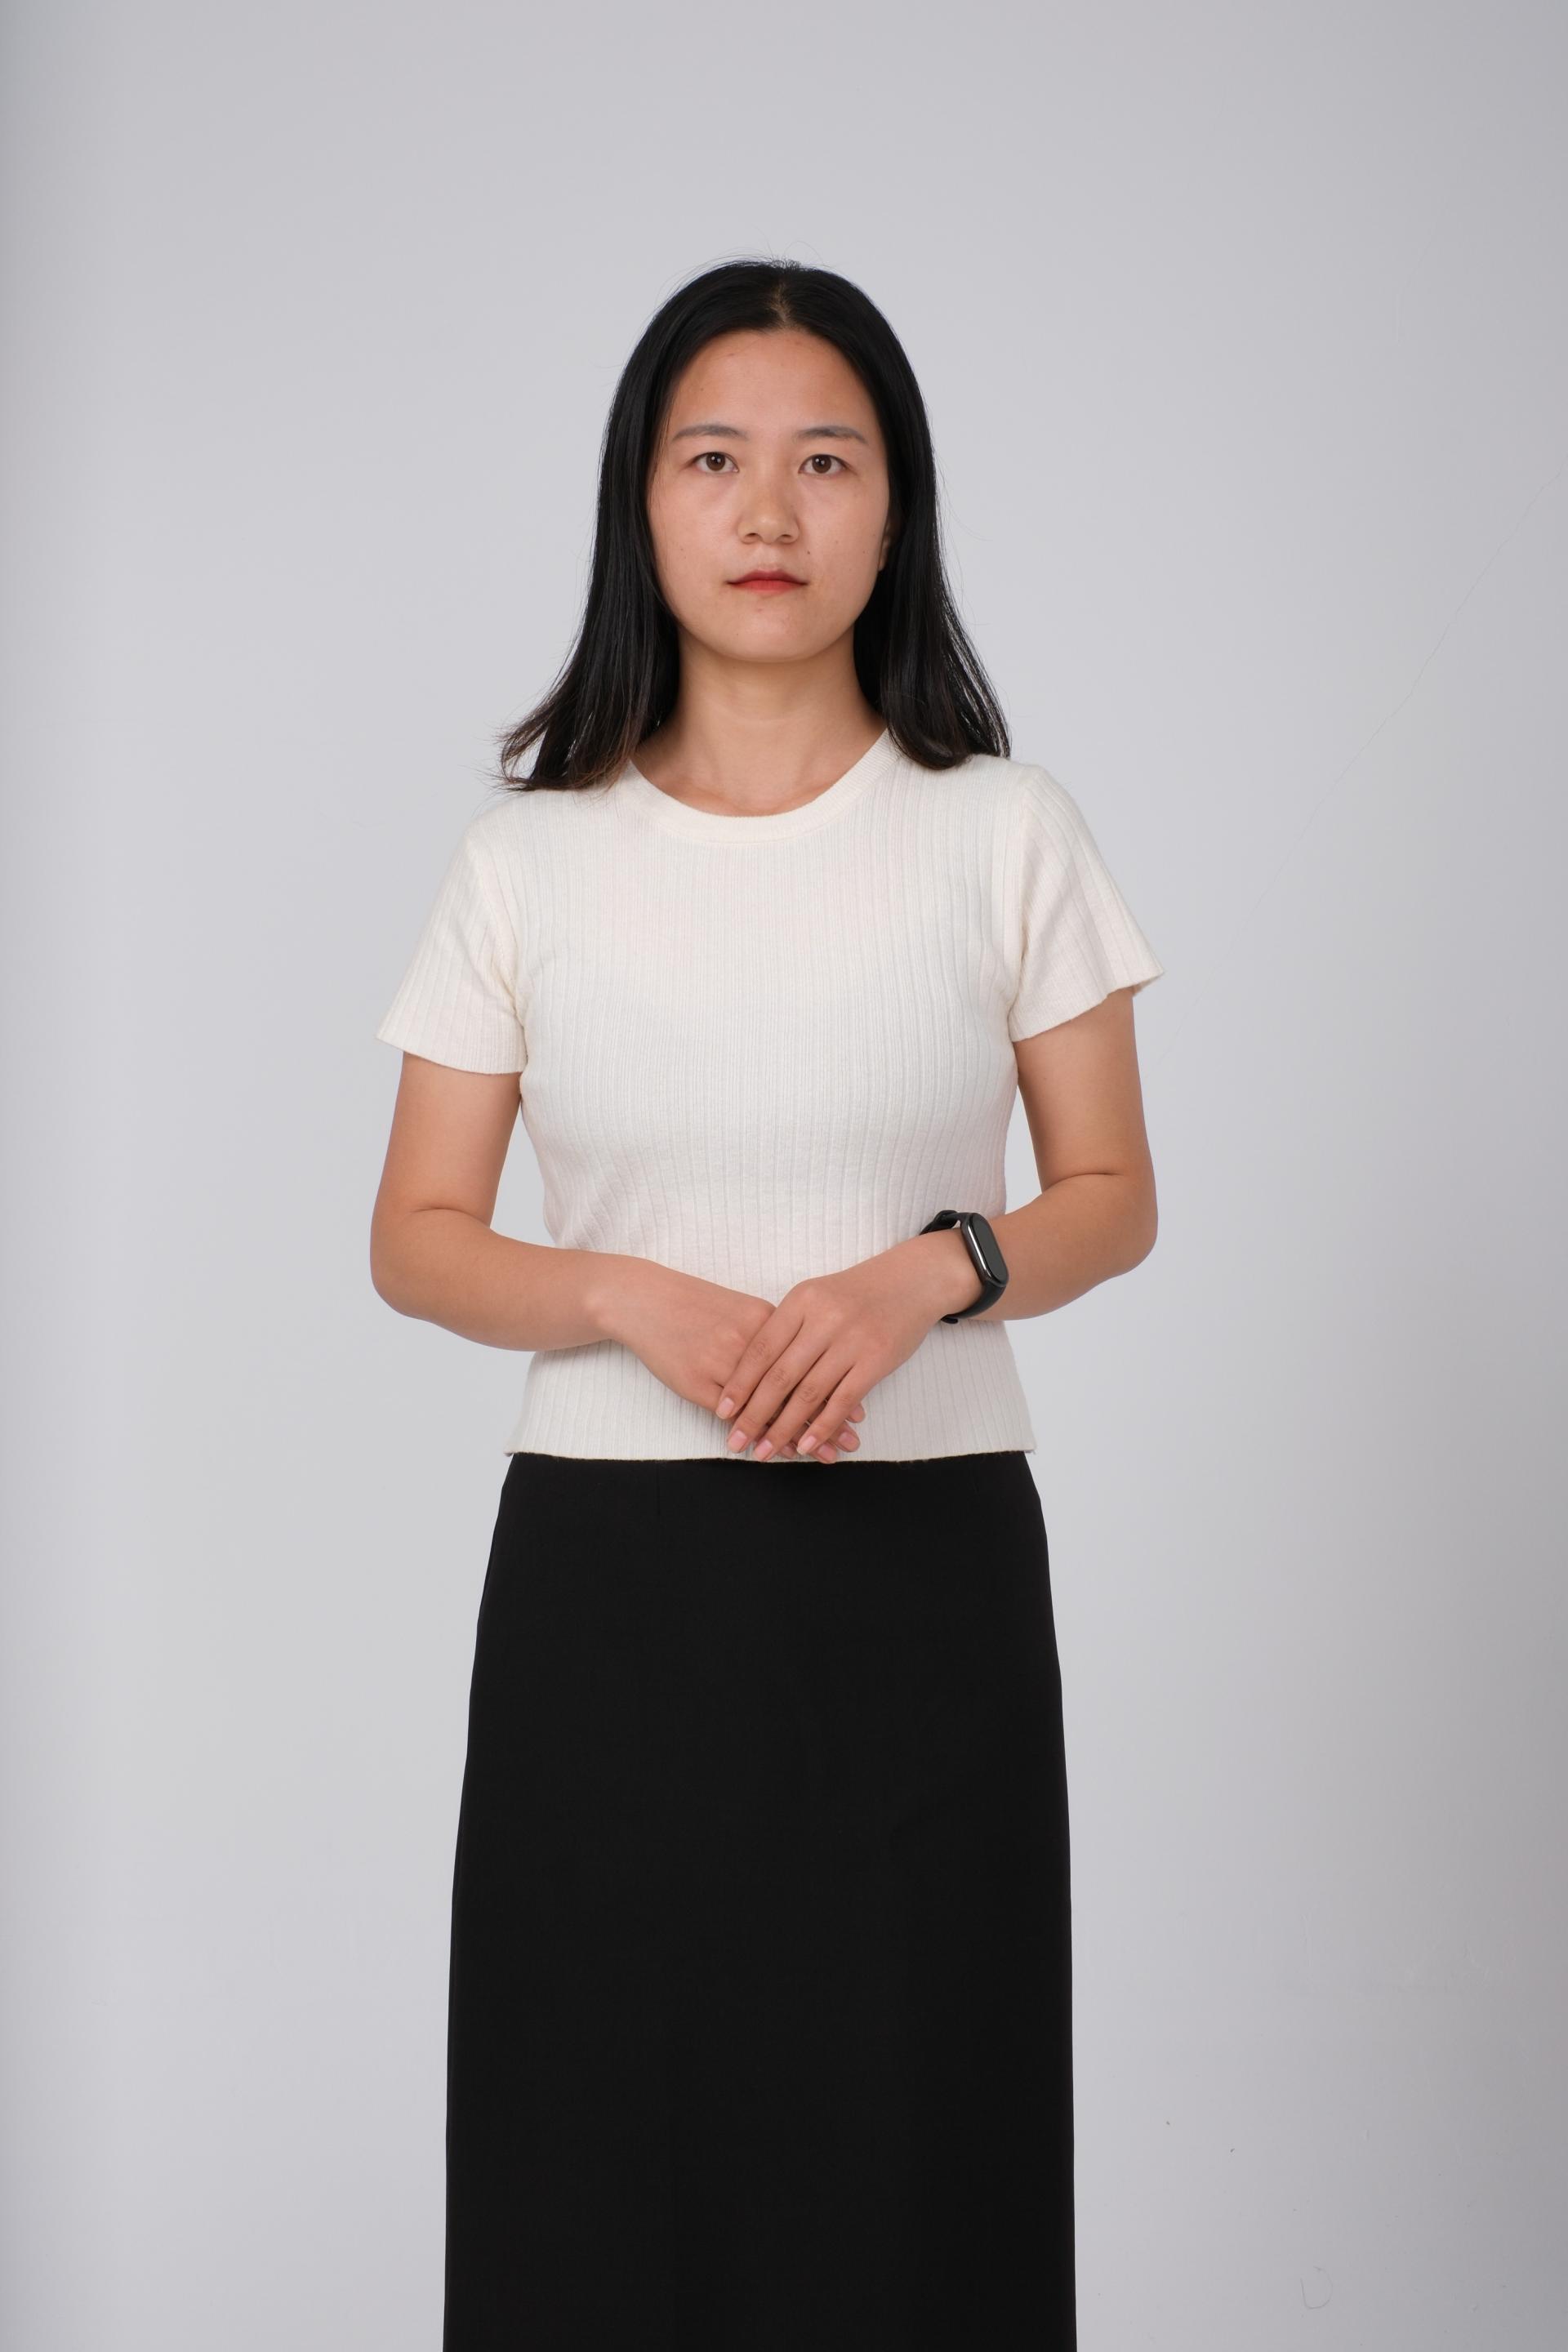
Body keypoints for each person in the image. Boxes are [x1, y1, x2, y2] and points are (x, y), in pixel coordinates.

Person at [370, 256, 1164, 2352]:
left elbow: (1112, 1197)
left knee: (923, 2163)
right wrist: (623, 1292)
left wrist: (930, 1273)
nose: (769, 512)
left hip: (925, 1582)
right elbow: (420, 1236)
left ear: (896, 508)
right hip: (609, 1599)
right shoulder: (527, 864)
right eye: (714, 460)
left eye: (829, 461)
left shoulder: (1004, 832)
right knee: (590, 2162)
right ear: (641, 504)